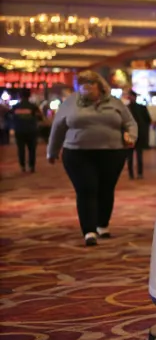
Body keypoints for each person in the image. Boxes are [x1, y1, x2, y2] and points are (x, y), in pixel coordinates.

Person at [47, 71, 137, 246]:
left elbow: (130, 123)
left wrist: (131, 136)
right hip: (77, 153)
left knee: (106, 188)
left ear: (100, 86)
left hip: (112, 152)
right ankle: (89, 230)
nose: (85, 87)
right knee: (86, 189)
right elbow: (58, 127)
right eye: (82, 84)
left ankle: (102, 224)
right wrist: (52, 151)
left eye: (89, 84)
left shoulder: (115, 103)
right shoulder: (70, 103)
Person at [10, 89, 44, 173]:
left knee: (21, 149)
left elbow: (10, 117)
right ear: (29, 96)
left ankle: (22, 166)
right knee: (32, 149)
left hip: (19, 130)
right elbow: (40, 118)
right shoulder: (33, 107)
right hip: (31, 131)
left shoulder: (15, 107)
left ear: (20, 96)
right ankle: (31, 166)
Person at [125, 90, 152, 179]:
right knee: (131, 156)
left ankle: (138, 173)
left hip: (137, 135)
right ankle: (132, 174)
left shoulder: (128, 108)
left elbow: (148, 120)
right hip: (131, 135)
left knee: (138, 155)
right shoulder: (127, 108)